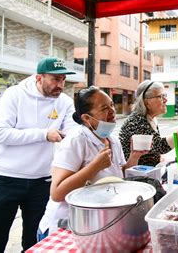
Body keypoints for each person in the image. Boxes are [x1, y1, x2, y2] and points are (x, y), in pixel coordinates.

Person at [0, 57, 78, 253]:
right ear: (39, 77)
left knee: (36, 241)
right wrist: (43, 134)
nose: (60, 85)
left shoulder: (65, 102)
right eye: (55, 79)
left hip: (42, 181)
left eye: (63, 80)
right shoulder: (14, 95)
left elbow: (73, 133)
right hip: (6, 179)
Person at [37, 86, 147, 238]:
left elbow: (116, 175)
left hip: (96, 223)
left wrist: (134, 157)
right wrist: (94, 167)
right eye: (104, 108)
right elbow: (57, 193)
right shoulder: (75, 141)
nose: (112, 111)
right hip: (66, 226)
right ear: (86, 118)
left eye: (112, 105)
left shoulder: (113, 140)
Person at [119, 80, 178, 166]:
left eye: (164, 95)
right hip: (137, 175)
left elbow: (155, 148)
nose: (165, 100)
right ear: (146, 102)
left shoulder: (149, 118)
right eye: (160, 96)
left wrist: (158, 157)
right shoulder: (136, 122)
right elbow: (161, 146)